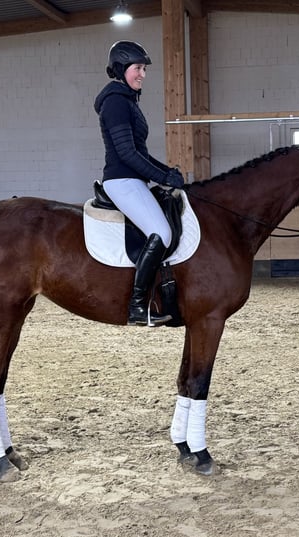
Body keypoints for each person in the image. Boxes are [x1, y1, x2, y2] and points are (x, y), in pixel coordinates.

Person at [94, 40, 185, 327]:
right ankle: (136, 306)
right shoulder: (116, 103)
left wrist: (167, 171)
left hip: (132, 179)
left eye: (144, 69)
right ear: (122, 70)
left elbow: (141, 154)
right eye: (137, 68)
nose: (142, 74)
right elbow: (126, 153)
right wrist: (162, 177)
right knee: (161, 232)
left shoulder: (128, 100)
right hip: (122, 180)